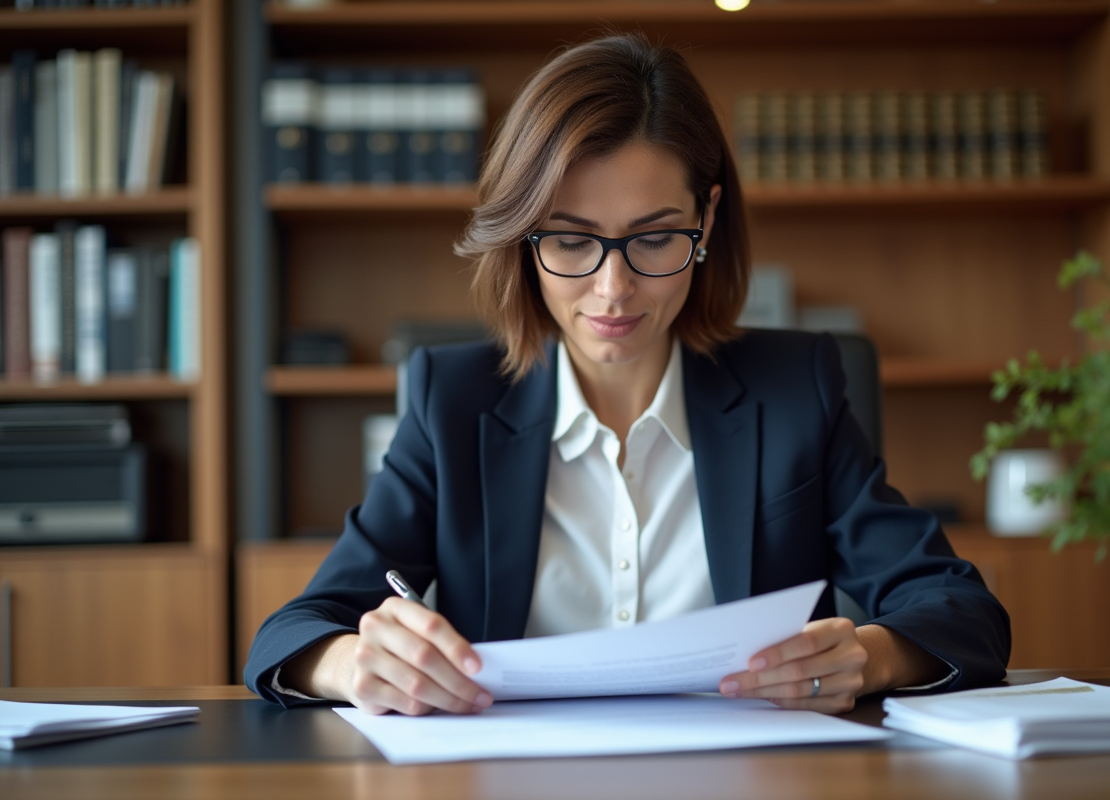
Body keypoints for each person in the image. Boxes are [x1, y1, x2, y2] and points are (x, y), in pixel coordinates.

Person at [246, 33, 1010, 716]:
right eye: (572, 242)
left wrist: (867, 657)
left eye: (654, 239)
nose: (613, 290)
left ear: (706, 222)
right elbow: (294, 630)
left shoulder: (793, 391)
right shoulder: (454, 402)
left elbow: (959, 609)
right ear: (522, 237)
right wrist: (355, 662)